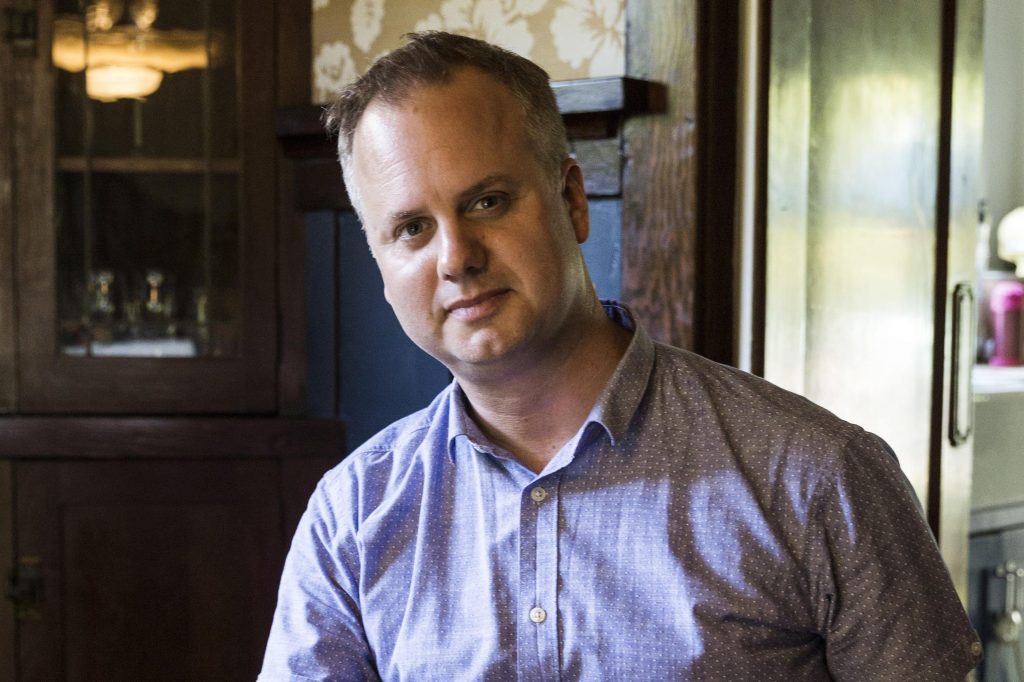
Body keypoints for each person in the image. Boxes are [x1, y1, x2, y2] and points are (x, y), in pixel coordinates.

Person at [259, 31, 981, 681]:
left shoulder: (820, 477)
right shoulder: (352, 517)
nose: (457, 259)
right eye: (412, 229)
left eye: (487, 203)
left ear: (573, 200)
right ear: (381, 267)